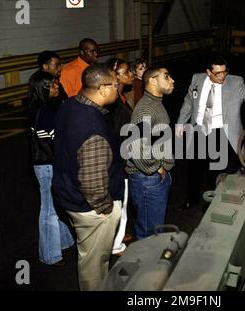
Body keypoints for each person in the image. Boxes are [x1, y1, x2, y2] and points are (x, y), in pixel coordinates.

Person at [52, 63, 124, 290]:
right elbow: (93, 184)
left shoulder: (69, 105)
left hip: (67, 192)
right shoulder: (92, 127)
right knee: (94, 264)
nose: (118, 88)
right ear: (103, 89)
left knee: (88, 256)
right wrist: (105, 210)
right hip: (90, 208)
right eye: (116, 84)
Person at [175, 54, 245, 208]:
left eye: (225, 71)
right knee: (194, 168)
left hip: (219, 133)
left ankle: (213, 203)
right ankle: (191, 200)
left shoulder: (235, 83)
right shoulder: (196, 79)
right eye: (218, 73)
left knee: (216, 170)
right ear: (208, 72)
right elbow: (188, 102)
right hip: (198, 130)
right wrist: (180, 123)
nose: (222, 76)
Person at [27, 71, 74, 267]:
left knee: (57, 204)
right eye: (53, 85)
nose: (57, 87)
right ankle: (49, 254)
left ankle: (63, 241)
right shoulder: (44, 113)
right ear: (44, 87)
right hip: (48, 165)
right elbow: (53, 143)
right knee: (48, 209)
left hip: (47, 163)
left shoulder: (39, 107)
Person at [125, 67, 175, 240]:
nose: (172, 80)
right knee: (149, 233)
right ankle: (145, 266)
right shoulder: (146, 109)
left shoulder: (156, 103)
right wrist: (157, 168)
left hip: (154, 176)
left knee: (155, 229)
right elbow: (137, 147)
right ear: (152, 80)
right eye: (166, 76)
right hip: (148, 179)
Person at [105, 58, 135, 254]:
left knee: (120, 203)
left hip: (120, 159)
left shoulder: (121, 98)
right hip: (118, 162)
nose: (130, 75)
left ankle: (117, 235)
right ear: (115, 76)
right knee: (120, 203)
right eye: (126, 72)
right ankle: (116, 245)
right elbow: (116, 136)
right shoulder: (115, 106)